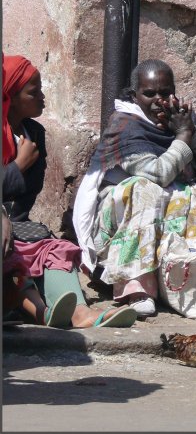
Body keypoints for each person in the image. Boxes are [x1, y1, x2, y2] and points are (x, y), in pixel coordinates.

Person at [72, 59, 196, 317]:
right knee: (143, 188)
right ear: (135, 95)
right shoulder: (125, 125)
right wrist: (182, 138)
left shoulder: (181, 117)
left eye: (165, 92)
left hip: (181, 201)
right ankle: (137, 287)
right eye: (149, 93)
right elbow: (157, 174)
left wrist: (192, 133)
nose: (158, 99)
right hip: (131, 212)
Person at [2, 54, 137, 328]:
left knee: (56, 248)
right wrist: (18, 165)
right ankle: (42, 312)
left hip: (17, 226)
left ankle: (78, 312)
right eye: (34, 92)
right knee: (12, 253)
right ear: (12, 97)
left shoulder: (34, 134)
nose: (43, 97)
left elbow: (28, 195)